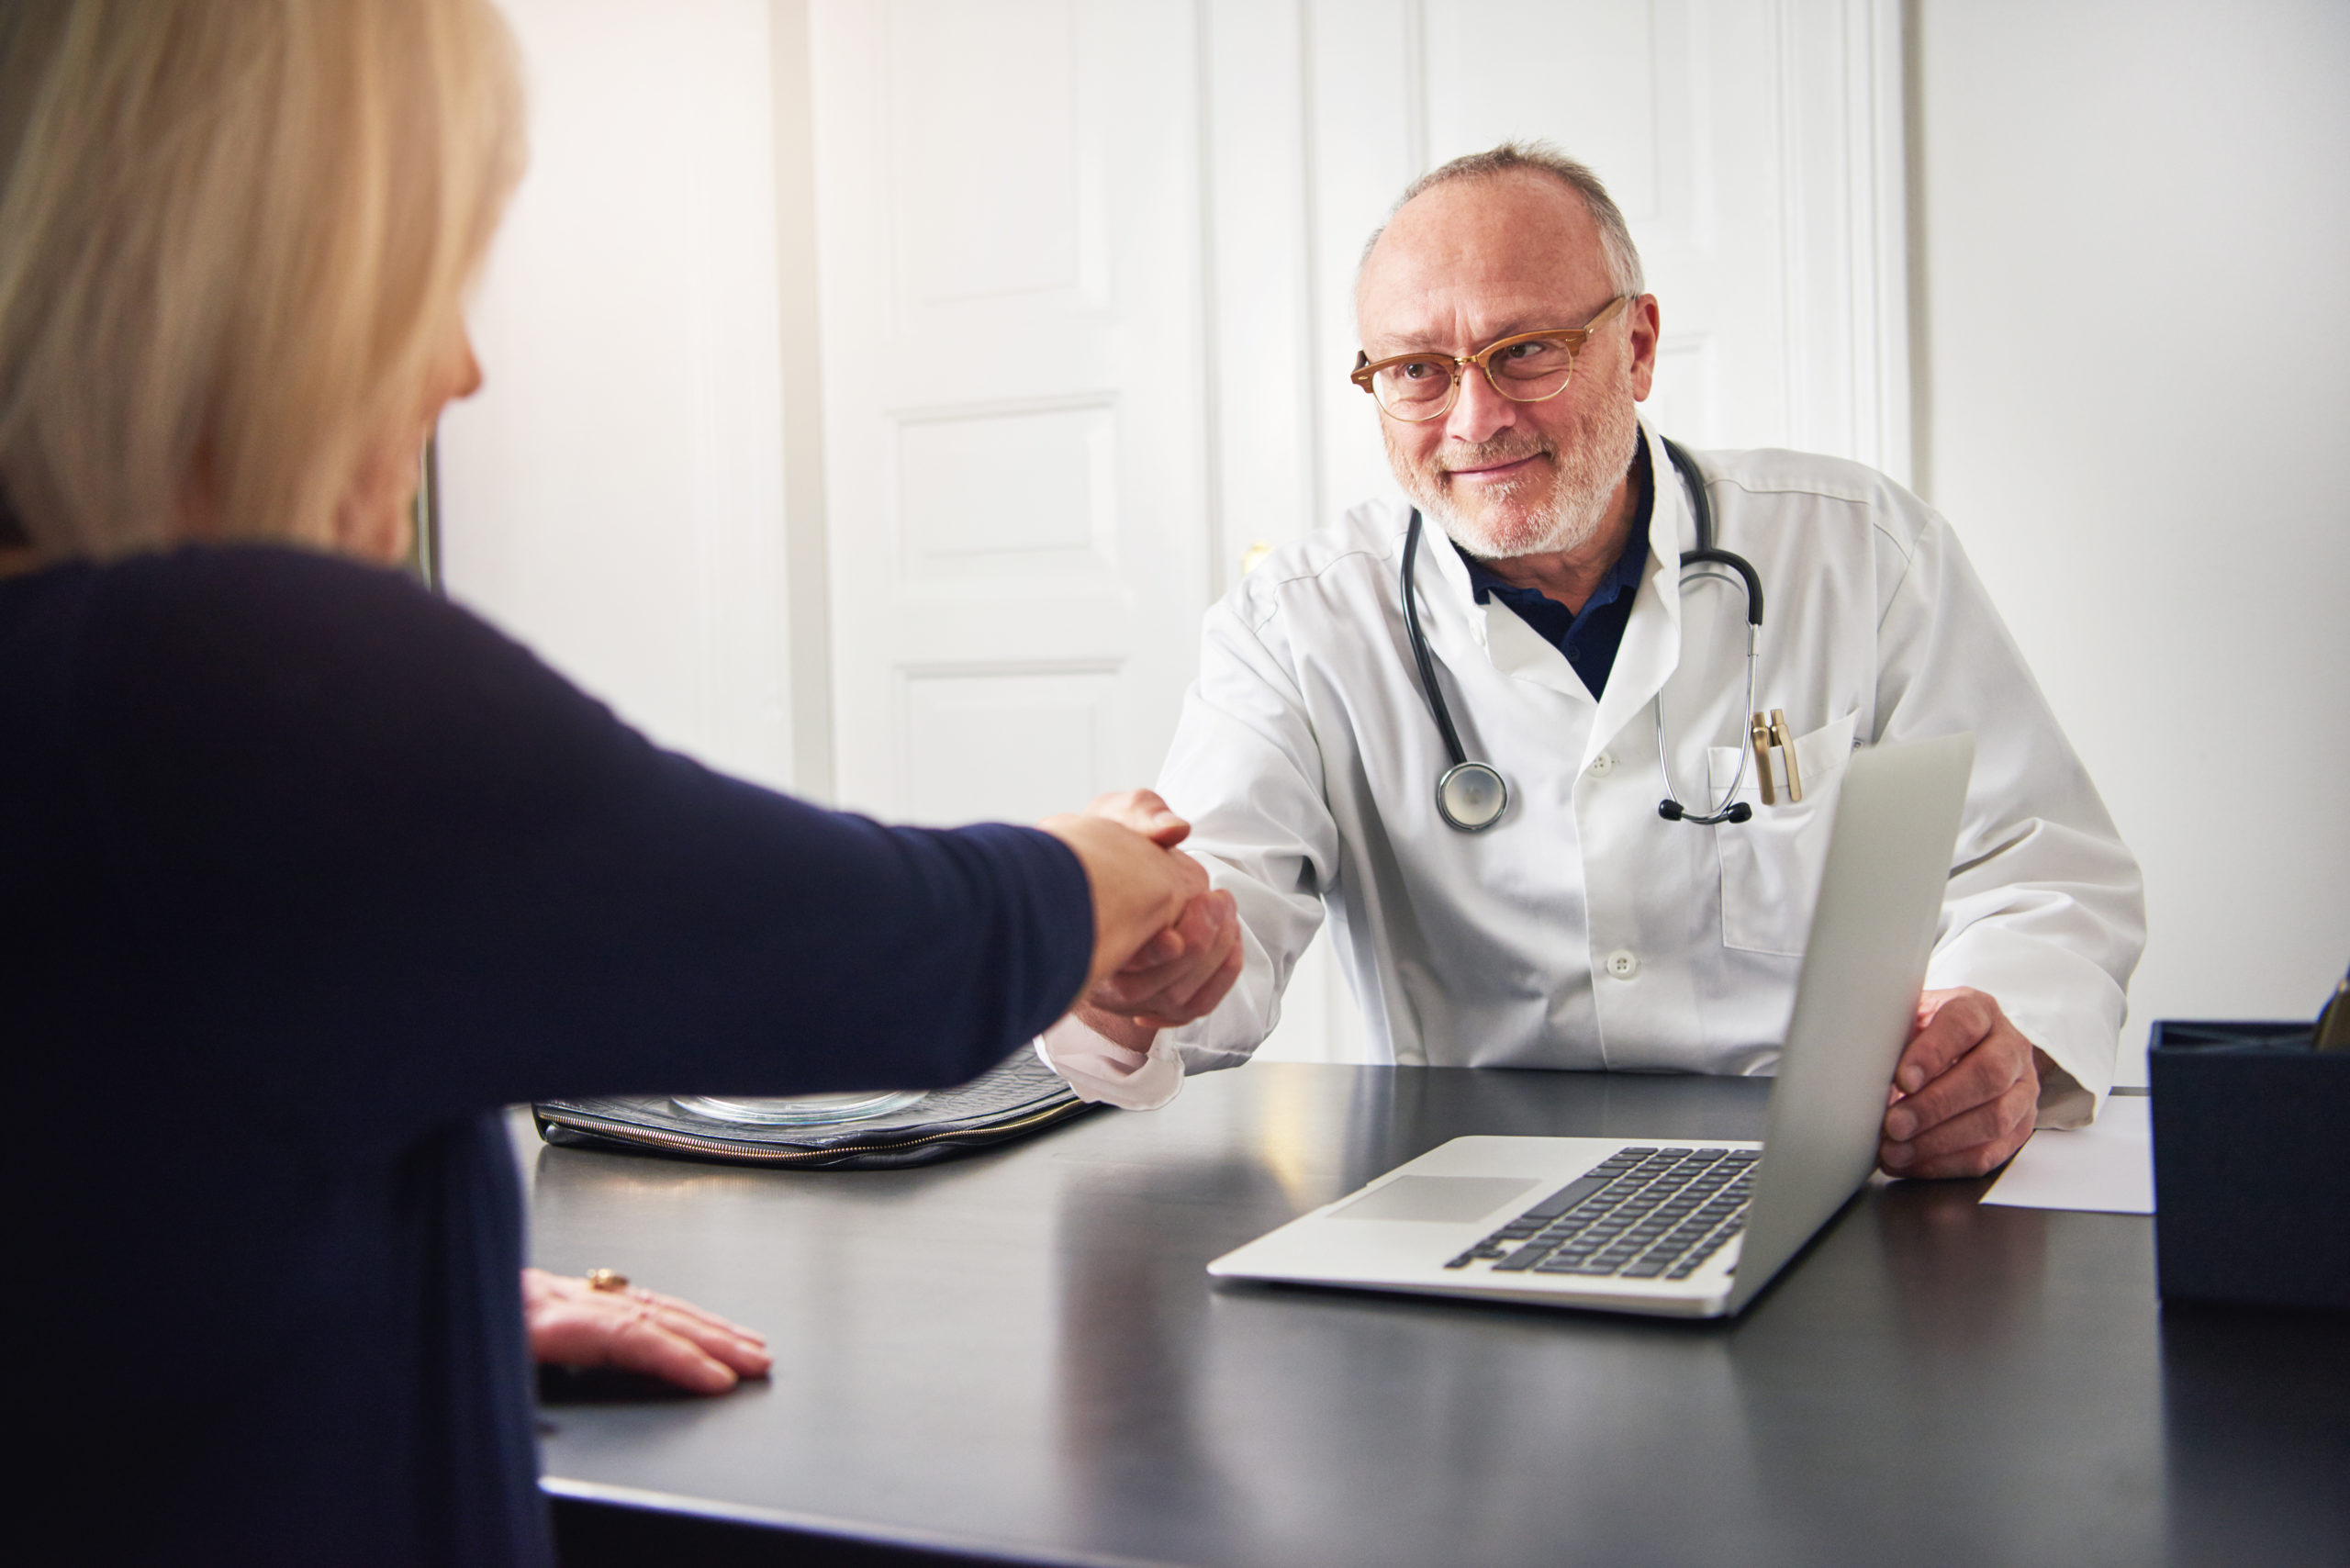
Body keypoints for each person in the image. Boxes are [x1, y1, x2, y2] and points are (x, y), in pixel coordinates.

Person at [0, 2, 1233, 1563]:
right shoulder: (213, 668)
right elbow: (881, 950)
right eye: (423, 275)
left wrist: (392, 1291)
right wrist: (1106, 865)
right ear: (259, 280)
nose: (459, 366)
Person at [1043, 143, 2145, 1182]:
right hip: (1460, 1195)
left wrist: (1998, 1039)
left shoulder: (1859, 552)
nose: (1474, 418)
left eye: (1526, 350)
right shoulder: (1294, 627)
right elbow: (1213, 914)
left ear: (1640, 345)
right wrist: (1132, 963)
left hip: (1824, 1175)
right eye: (1419, 370)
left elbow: (2037, 866)